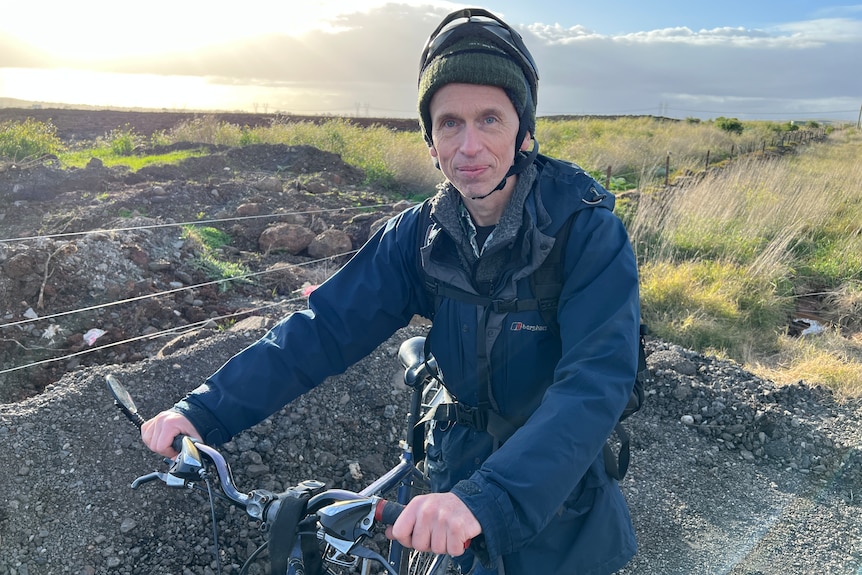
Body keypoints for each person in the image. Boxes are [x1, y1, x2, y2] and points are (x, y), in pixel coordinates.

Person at [142, 7, 640, 574]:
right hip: (449, 480)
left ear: (524, 131)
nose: (468, 146)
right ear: (430, 139)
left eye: (490, 119)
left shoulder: (584, 229)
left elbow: (595, 380)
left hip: (557, 499)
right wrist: (202, 412)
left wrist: (488, 499)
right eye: (449, 122)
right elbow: (325, 330)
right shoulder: (420, 234)